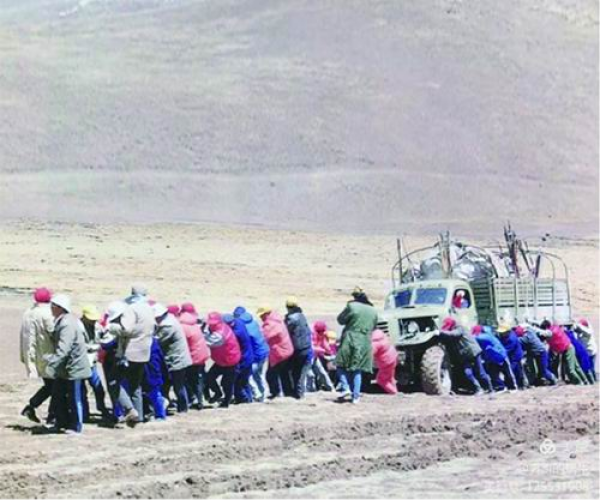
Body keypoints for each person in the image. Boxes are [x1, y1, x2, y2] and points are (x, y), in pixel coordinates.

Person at [105, 293, 155, 426]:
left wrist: (112, 328)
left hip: (130, 353)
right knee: (135, 386)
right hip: (144, 354)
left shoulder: (131, 310)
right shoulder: (149, 310)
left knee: (113, 381)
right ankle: (138, 418)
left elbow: (127, 329)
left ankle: (130, 409)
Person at [45, 294, 92, 433]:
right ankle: (61, 423)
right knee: (59, 396)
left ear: (60, 308)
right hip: (64, 368)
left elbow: (64, 349)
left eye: (53, 306)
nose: (51, 308)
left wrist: (51, 363)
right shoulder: (63, 320)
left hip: (74, 368)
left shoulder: (67, 324)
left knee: (74, 398)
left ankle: (76, 426)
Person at [335, 287, 378, 403]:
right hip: (365, 341)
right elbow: (374, 326)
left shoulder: (351, 306)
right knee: (357, 369)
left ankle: (345, 388)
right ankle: (356, 396)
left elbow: (340, 320)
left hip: (350, 339)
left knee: (340, 364)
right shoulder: (373, 310)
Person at [20, 287, 56, 424]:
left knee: (50, 385)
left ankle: (32, 406)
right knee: (56, 386)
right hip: (47, 354)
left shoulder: (28, 312)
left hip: (34, 355)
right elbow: (53, 332)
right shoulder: (47, 313)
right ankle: (52, 416)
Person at [153, 303, 192, 413]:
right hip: (176, 358)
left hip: (177, 360)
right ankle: (169, 405)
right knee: (171, 384)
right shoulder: (170, 319)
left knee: (178, 386)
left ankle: (183, 408)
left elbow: (158, 341)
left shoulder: (168, 326)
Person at [438, 317, 491, 395]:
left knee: (481, 373)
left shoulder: (460, 328)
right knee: (468, 373)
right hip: (465, 355)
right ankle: (479, 389)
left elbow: (455, 334)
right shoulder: (452, 330)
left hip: (473, 352)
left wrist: (440, 332)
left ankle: (490, 389)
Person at [80, 305, 111, 421]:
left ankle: (101, 407)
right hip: (81, 362)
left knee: (98, 387)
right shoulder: (78, 327)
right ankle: (84, 414)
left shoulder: (97, 327)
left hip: (92, 362)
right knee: (82, 390)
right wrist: (94, 347)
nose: (93, 322)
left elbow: (104, 336)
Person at [204, 312, 241, 408]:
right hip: (220, 360)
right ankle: (218, 393)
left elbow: (206, 342)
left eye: (213, 323)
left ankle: (226, 402)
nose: (210, 325)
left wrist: (199, 334)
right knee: (209, 378)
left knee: (227, 384)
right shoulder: (222, 326)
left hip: (230, 360)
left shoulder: (219, 334)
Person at [234, 307, 270, 402]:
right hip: (264, 351)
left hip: (257, 355)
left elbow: (248, 345)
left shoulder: (243, 328)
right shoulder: (253, 322)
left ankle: (257, 394)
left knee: (247, 376)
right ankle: (264, 393)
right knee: (259, 374)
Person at [257, 306, 294, 398]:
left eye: (262, 315)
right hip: (286, 350)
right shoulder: (276, 319)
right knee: (283, 374)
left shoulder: (271, 325)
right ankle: (288, 393)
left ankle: (276, 393)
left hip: (280, 352)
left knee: (270, 375)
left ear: (267, 314)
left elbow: (263, 337)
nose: (260, 317)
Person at [180, 305, 210, 409]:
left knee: (187, 379)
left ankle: (193, 398)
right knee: (198, 380)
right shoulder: (195, 324)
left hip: (193, 357)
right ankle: (200, 400)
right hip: (202, 355)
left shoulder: (183, 327)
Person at [284, 297, 313, 399]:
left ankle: (297, 393)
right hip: (306, 347)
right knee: (302, 372)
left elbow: (286, 331)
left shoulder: (291, 319)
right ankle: (300, 393)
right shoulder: (302, 316)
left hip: (297, 348)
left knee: (295, 372)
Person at [222, 313, 254, 404]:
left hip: (243, 359)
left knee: (238, 382)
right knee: (244, 381)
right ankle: (249, 399)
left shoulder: (236, 333)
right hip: (249, 356)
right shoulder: (239, 322)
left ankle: (244, 400)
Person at [472, 325, 515, 391]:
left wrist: (469, 336)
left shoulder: (486, 336)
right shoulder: (486, 335)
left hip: (499, 355)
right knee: (494, 374)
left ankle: (511, 387)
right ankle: (501, 387)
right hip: (492, 357)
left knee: (506, 373)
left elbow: (477, 337)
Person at [142, 337, 168, 421]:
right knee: (149, 394)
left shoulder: (152, 342)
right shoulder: (150, 340)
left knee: (155, 394)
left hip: (152, 371)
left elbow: (159, 360)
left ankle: (160, 415)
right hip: (146, 371)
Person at [497, 323, 528, 389]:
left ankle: (522, 385)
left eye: (502, 332)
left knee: (516, 370)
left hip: (516, 356)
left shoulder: (511, 338)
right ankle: (516, 384)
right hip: (511, 356)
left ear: (508, 331)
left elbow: (506, 350)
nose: (501, 333)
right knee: (513, 370)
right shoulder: (504, 336)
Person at [371, 329, 398, 394]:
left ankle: (393, 391)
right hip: (393, 356)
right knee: (390, 377)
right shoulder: (382, 335)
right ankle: (395, 389)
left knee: (381, 380)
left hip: (386, 362)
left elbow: (370, 354)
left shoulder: (374, 343)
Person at [310, 321, 335, 391]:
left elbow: (324, 343)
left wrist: (329, 351)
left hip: (315, 356)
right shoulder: (311, 334)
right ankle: (311, 390)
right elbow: (311, 347)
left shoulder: (322, 334)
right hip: (309, 357)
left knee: (322, 373)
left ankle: (331, 388)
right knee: (310, 375)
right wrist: (323, 351)